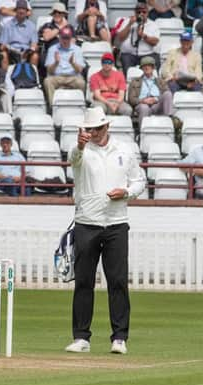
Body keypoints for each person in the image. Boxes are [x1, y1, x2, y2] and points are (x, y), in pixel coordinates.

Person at [65, 107, 145, 355]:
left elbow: (139, 180)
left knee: (118, 281)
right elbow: (73, 159)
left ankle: (119, 337)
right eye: (90, 129)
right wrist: (79, 145)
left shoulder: (125, 150)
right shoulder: (80, 150)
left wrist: (127, 192)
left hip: (116, 223)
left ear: (107, 127)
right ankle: (81, 338)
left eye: (98, 128)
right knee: (84, 282)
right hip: (86, 222)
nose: (94, 133)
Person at [43, 26, 86, 107]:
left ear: (71, 38)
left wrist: (73, 63)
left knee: (81, 83)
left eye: (67, 38)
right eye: (63, 38)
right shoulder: (52, 49)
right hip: (57, 76)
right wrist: (56, 62)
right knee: (48, 81)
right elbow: (49, 70)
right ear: (59, 37)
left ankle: (80, 106)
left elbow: (80, 70)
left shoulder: (77, 49)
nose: (65, 40)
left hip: (73, 77)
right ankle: (53, 107)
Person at [115, 2, 160, 75]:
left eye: (144, 12)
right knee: (126, 59)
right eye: (138, 12)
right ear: (135, 12)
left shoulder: (153, 24)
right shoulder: (127, 21)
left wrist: (143, 36)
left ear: (147, 13)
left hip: (147, 54)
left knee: (154, 59)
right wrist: (129, 24)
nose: (141, 14)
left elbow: (155, 42)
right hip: (129, 54)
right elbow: (120, 38)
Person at [128, 55, 173, 127]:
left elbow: (167, 94)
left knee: (167, 94)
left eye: (149, 65)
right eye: (144, 66)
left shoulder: (160, 81)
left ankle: (169, 122)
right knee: (144, 107)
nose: (147, 67)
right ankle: (142, 132)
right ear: (142, 68)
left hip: (157, 105)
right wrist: (143, 101)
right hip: (142, 104)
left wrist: (156, 99)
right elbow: (131, 99)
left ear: (153, 68)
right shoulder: (135, 81)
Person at [0, 0, 38, 65]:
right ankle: (5, 75)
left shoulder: (32, 26)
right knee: (3, 54)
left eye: (23, 9)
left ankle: (32, 74)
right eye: (19, 9)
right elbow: (2, 46)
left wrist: (31, 49)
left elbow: (34, 44)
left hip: (26, 53)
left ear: (26, 11)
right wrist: (8, 48)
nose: (21, 11)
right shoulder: (8, 25)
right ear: (16, 11)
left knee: (35, 56)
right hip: (12, 53)